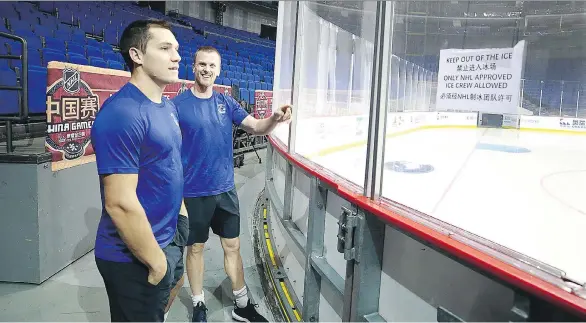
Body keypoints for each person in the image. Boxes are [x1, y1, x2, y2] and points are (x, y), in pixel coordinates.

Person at [173, 46, 292, 322]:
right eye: (202, 64)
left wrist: (274, 118)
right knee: (196, 248)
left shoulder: (227, 103)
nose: (207, 70)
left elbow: (256, 127)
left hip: (225, 191)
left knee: (233, 247)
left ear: (219, 70)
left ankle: (242, 304)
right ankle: (199, 304)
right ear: (193, 67)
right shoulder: (177, 106)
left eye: (212, 66)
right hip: (193, 193)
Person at [90, 19, 189, 322]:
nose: (177, 57)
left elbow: (169, 167)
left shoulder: (166, 105)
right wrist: (157, 263)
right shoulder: (122, 113)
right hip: (134, 255)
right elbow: (119, 203)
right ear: (137, 55)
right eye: (164, 48)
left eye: (176, 49)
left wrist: (181, 219)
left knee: (164, 301)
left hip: (169, 234)